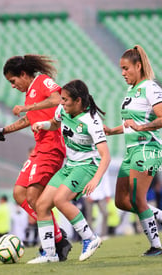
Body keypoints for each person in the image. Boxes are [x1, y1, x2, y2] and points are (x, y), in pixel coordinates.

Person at [0, 54, 72, 261]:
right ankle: (58, 237)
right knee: (19, 193)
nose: (13, 86)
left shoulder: (41, 82)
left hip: (51, 147)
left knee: (34, 197)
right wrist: (3, 130)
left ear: (23, 74)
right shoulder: (29, 95)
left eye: (13, 81)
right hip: (39, 149)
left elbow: (58, 99)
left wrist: (28, 107)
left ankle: (53, 247)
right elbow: (27, 120)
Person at [27, 79, 111, 264]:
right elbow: (55, 124)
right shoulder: (62, 110)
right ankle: (50, 254)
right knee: (41, 205)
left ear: (78, 101)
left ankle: (90, 238)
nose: (61, 102)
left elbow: (106, 156)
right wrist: (43, 124)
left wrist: (96, 180)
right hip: (70, 166)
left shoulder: (91, 120)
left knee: (60, 199)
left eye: (65, 99)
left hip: (87, 166)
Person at [103, 45, 162, 256]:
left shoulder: (151, 87)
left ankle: (156, 247)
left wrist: (142, 127)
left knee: (137, 198)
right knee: (121, 201)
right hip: (132, 149)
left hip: (148, 149)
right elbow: (131, 124)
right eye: (121, 69)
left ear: (138, 65)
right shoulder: (130, 90)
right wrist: (111, 130)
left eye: (126, 68)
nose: (123, 73)